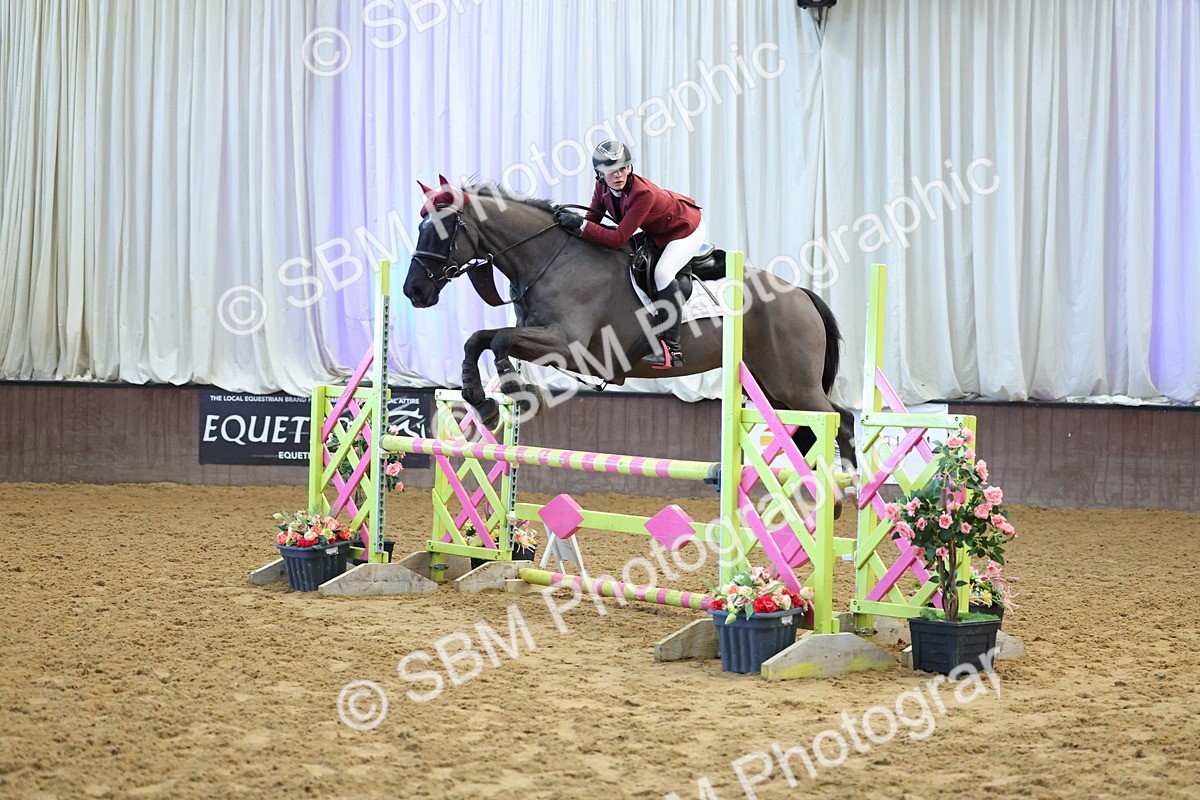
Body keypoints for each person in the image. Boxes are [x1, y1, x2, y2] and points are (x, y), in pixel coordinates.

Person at [553, 140, 705, 369]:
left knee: (663, 273)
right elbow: (591, 220)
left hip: (685, 229)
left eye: (623, 168)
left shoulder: (642, 193)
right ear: (599, 174)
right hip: (658, 230)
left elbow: (617, 238)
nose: (618, 175)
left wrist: (580, 225)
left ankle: (672, 350)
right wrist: (568, 230)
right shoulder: (602, 188)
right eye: (611, 171)